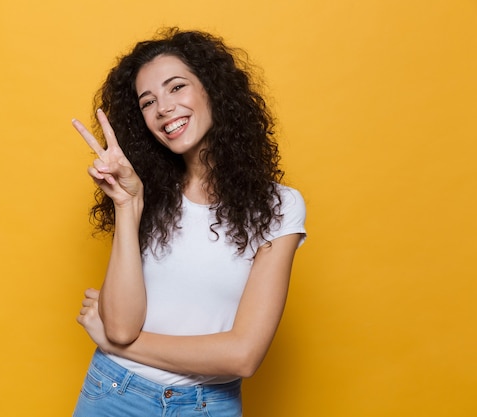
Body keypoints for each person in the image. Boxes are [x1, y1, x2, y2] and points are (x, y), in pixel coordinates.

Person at [71, 27, 306, 417]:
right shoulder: (145, 193)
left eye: (176, 87)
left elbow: (243, 356)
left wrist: (118, 345)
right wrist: (129, 205)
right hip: (114, 394)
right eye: (148, 102)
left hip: (207, 406)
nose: (163, 108)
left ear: (212, 89)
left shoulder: (279, 206)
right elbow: (122, 325)